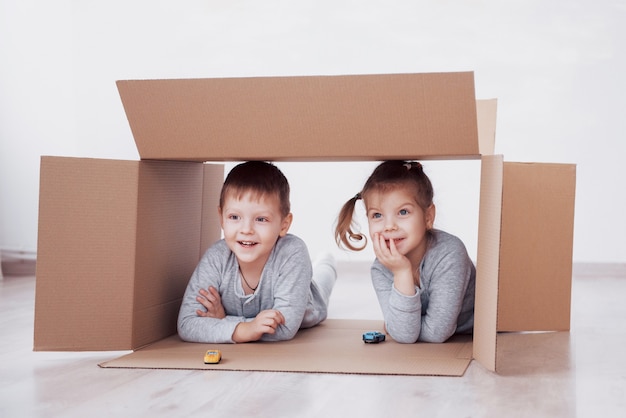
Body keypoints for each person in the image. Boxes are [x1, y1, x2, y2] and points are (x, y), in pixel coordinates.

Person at [178, 161, 336, 344]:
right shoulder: (217, 257)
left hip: (308, 302)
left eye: (261, 219)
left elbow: (284, 328)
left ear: (284, 224)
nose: (246, 229)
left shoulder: (292, 253)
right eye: (234, 217)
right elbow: (187, 324)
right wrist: (246, 328)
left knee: (323, 278)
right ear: (221, 218)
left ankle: (328, 260)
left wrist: (225, 322)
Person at [335, 160, 475, 343]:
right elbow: (404, 335)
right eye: (377, 215)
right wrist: (401, 272)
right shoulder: (381, 268)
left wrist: (400, 326)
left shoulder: (449, 254)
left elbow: (436, 333)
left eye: (403, 212)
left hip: (474, 329)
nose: (389, 226)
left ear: (428, 216)